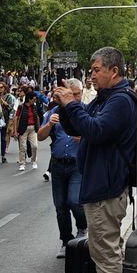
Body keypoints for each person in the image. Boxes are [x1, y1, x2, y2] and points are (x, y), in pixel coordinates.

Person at [55, 48, 137, 273]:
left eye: (96, 70)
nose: (91, 75)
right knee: (105, 250)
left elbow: (96, 131)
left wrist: (73, 106)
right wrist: (66, 107)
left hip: (107, 186)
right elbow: (78, 126)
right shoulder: (105, 99)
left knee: (106, 253)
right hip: (99, 184)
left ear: (113, 71)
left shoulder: (120, 101)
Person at [37, 80, 86, 257]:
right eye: (69, 94)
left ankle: (82, 228)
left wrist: (84, 138)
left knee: (74, 201)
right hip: (58, 164)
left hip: (77, 164)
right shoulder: (54, 112)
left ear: (81, 93)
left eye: (76, 94)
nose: (72, 98)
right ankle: (66, 240)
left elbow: (97, 134)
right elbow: (40, 136)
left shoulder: (84, 111)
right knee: (60, 205)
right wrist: (49, 124)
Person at [12, 88, 40, 172]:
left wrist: (38, 128)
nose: (34, 101)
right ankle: (22, 163)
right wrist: (15, 131)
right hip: (23, 128)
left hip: (33, 128)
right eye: (33, 99)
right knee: (23, 147)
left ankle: (34, 161)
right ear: (29, 99)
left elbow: (37, 117)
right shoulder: (21, 107)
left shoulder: (34, 107)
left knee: (34, 146)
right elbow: (16, 118)